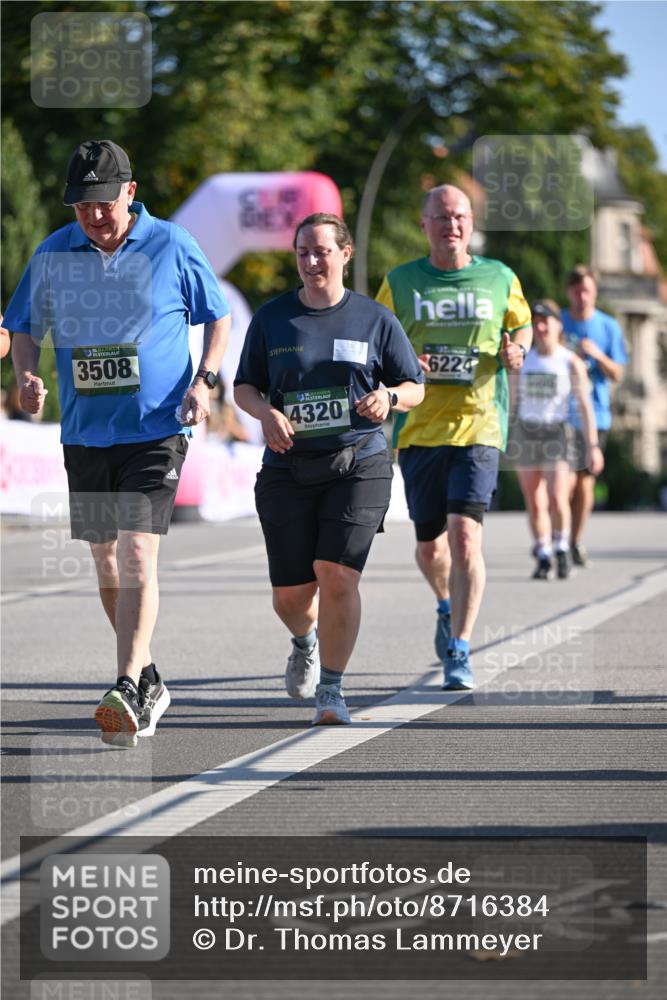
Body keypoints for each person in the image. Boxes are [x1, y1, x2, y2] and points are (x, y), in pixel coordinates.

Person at [4, 139, 231, 747]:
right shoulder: (55, 252)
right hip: (86, 433)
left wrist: (205, 381)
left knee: (135, 554)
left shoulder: (172, 245)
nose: (93, 215)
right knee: (105, 562)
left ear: (129, 192)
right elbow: (22, 324)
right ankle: (149, 674)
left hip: (157, 426)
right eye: (81, 205)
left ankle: (127, 683)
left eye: (102, 202)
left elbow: (219, 316)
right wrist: (25, 374)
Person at [234, 213, 424, 725]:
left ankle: (333, 689)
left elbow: (414, 385)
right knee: (292, 595)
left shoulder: (374, 319)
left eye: (321, 251)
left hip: (358, 461)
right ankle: (304, 641)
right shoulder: (273, 318)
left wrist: (388, 397)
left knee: (337, 575)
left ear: (345, 254)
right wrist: (266, 413)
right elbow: (244, 386)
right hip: (287, 467)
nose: (312, 262)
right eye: (303, 253)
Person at [376, 184, 531, 690]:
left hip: (480, 421)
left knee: (465, 537)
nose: (452, 225)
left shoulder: (499, 277)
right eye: (441, 217)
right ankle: (446, 604)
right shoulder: (399, 282)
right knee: (430, 548)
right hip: (420, 428)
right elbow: (376, 347)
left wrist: (517, 353)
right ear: (424, 224)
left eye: (460, 216)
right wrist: (402, 366)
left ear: (471, 222)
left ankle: (460, 648)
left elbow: (522, 328)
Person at [511, 300, 604, 580]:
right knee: (534, 499)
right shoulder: (524, 360)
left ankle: (561, 545)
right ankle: (542, 552)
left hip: (556, 433)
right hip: (527, 433)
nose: (540, 327)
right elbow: (512, 401)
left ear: (557, 326)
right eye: (536, 322)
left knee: (556, 496)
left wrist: (593, 446)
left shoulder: (569, 361)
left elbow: (586, 407)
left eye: (546, 321)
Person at [561, 265, 626, 567]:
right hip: (559, 413)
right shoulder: (558, 323)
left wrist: (597, 355)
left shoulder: (608, 326)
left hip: (594, 415)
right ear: (568, 293)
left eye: (586, 290)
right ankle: (559, 538)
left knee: (583, 482)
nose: (581, 296)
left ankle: (574, 539)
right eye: (576, 290)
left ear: (595, 292)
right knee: (563, 482)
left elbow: (617, 373)